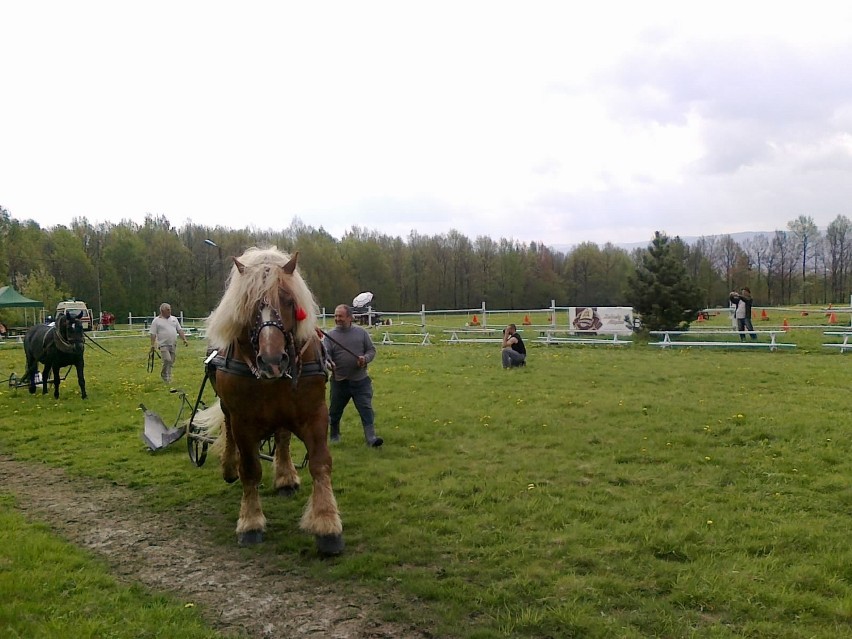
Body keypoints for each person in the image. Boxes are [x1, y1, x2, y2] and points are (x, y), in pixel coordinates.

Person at [323, 304, 383, 447]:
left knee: (366, 409)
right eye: (336, 316)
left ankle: (371, 438)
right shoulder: (330, 336)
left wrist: (365, 359)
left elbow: (371, 350)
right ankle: (334, 435)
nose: (337, 319)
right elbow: (325, 355)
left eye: (340, 316)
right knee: (335, 411)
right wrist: (329, 363)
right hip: (339, 381)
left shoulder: (361, 333)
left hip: (360, 381)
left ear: (350, 317)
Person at [149, 302, 188, 383]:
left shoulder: (174, 319)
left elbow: (179, 330)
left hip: (173, 344)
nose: (169, 311)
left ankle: (168, 375)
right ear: (162, 311)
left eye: (170, 309)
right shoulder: (156, 321)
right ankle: (165, 375)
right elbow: (153, 334)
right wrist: (152, 345)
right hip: (163, 344)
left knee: (171, 361)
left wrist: (184, 339)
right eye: (167, 310)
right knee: (167, 360)